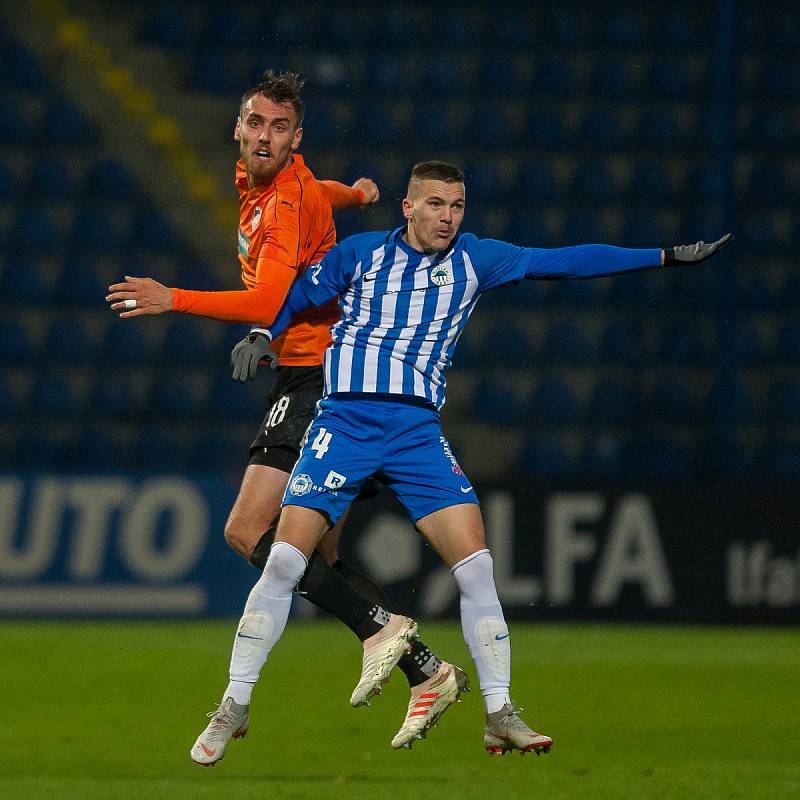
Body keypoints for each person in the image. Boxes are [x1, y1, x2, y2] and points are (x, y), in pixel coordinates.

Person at [190, 158, 732, 762]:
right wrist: (265, 334)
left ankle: (499, 713)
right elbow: (297, 296)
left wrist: (662, 256)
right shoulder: (362, 254)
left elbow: (564, 260)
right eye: (436, 204)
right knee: (286, 560)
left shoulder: (476, 259)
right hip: (343, 421)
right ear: (409, 207)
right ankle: (234, 705)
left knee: (475, 569)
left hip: (417, 432)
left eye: (456, 207)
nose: (447, 218)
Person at [105, 73, 465, 753]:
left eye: (278, 127)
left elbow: (267, 299)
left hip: (322, 375)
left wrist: (169, 298)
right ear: (240, 129)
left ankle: (374, 643)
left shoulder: (279, 205)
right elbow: (313, 190)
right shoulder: (277, 183)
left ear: (295, 138)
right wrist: (352, 195)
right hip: (315, 372)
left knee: (248, 533)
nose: (265, 136)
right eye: (256, 123)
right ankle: (427, 668)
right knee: (316, 558)